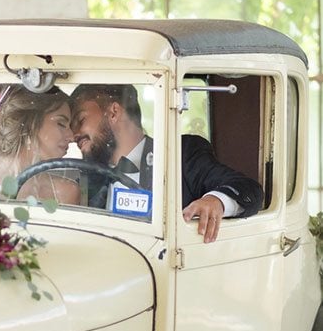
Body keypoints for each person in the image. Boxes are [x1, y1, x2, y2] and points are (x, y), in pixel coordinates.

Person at [70, 84, 264, 243]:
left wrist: (215, 201)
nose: (74, 133)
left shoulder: (180, 154)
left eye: (80, 119)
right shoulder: (87, 176)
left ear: (113, 112)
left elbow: (248, 190)